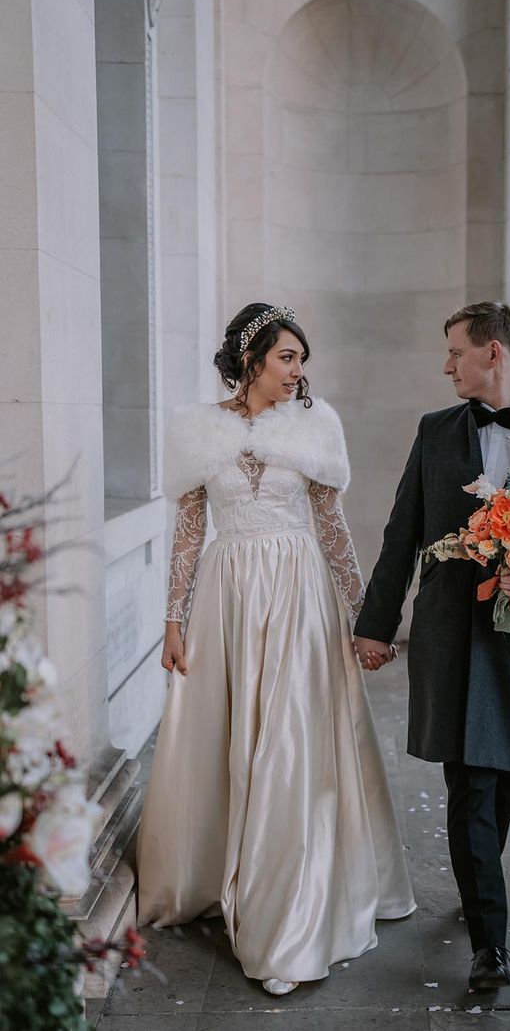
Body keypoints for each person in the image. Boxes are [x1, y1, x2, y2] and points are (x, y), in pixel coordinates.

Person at [137, 302, 415, 997]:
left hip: (298, 601)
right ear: (252, 357)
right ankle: (210, 874)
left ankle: (285, 916)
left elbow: (333, 530)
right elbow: (188, 534)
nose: (299, 370)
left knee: (291, 746)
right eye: (287, 357)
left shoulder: (317, 426)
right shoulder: (200, 429)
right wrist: (173, 622)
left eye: (301, 359)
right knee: (225, 738)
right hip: (228, 599)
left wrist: (366, 618)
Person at [354, 301, 510, 992]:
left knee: (502, 781)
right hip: (447, 636)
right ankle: (491, 946)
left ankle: (476, 885)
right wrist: (375, 623)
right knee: (469, 784)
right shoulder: (435, 433)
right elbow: (402, 532)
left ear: (493, 352)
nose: (447, 366)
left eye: (455, 353)